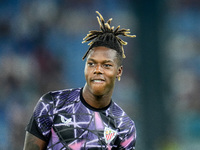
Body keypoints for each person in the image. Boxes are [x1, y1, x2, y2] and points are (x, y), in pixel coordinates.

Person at [23, 11, 136, 150]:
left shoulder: (125, 126)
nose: (98, 70)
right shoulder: (51, 104)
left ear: (119, 71)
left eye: (106, 65)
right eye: (92, 63)